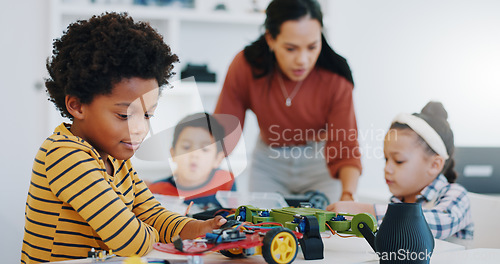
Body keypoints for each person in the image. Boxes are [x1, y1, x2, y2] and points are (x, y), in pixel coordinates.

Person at [21, 13, 226, 263]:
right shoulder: (64, 155)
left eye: (147, 116)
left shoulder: (117, 160)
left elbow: (154, 216)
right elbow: (131, 241)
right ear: (77, 105)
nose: (140, 129)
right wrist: (155, 231)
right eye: (124, 115)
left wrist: (202, 229)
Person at [214, 0, 361, 203]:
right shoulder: (246, 66)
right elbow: (226, 129)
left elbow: (345, 146)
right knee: (261, 227)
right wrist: (202, 168)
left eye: (312, 47)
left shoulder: (336, 77)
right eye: (291, 49)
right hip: (269, 163)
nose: (302, 59)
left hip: (320, 164)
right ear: (271, 39)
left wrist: (348, 195)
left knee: (323, 230)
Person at [327, 102, 474, 242]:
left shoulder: (456, 195)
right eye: (386, 159)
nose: (387, 168)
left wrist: (368, 212)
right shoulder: (396, 202)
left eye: (398, 161)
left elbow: (437, 224)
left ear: (434, 165)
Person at [148, 112, 236, 210]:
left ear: (218, 159)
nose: (194, 154)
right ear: (173, 153)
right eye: (186, 147)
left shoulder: (225, 182)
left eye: (205, 149)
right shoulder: (156, 190)